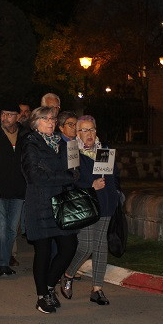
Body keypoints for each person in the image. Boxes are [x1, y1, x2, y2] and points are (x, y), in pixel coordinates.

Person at [20, 106, 78, 314]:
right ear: (36, 122)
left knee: (69, 246)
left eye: (53, 118)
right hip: (40, 204)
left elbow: (75, 171)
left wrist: (67, 176)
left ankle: (50, 285)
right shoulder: (30, 143)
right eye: (46, 119)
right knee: (43, 251)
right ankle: (41, 296)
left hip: (61, 203)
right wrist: (65, 177)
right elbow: (35, 177)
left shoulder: (63, 144)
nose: (51, 122)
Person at [60, 115, 120, 305]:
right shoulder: (72, 151)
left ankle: (97, 289)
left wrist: (116, 192)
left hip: (106, 203)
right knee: (86, 246)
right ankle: (69, 274)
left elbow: (114, 175)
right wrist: (90, 185)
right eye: (84, 130)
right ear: (77, 133)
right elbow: (70, 179)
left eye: (92, 129)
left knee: (101, 246)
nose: (89, 134)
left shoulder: (104, 150)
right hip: (85, 204)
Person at [0, 101, 29, 275]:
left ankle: (4, 261)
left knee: (12, 229)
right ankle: (2, 264)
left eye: (10, 114)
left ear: (18, 116)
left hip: (19, 190)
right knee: (0, 227)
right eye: (3, 113)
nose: (5, 118)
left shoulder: (25, 134)